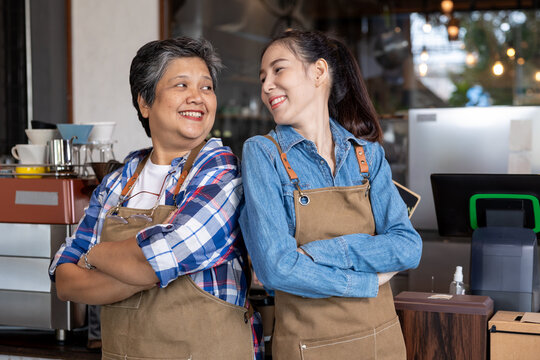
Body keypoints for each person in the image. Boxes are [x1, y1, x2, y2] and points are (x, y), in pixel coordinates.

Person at [49, 37, 262, 360]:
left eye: (206, 88)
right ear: (145, 103)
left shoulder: (220, 169)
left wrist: (94, 255)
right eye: (181, 85)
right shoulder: (119, 180)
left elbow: (157, 260)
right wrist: (145, 270)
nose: (198, 98)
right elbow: (65, 280)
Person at [239, 30, 422, 360]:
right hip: (307, 349)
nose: (266, 86)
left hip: (383, 342)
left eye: (278, 70)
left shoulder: (369, 156)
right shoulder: (263, 154)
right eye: (262, 77)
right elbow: (276, 269)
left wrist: (316, 253)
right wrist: (366, 282)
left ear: (319, 72)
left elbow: (408, 247)